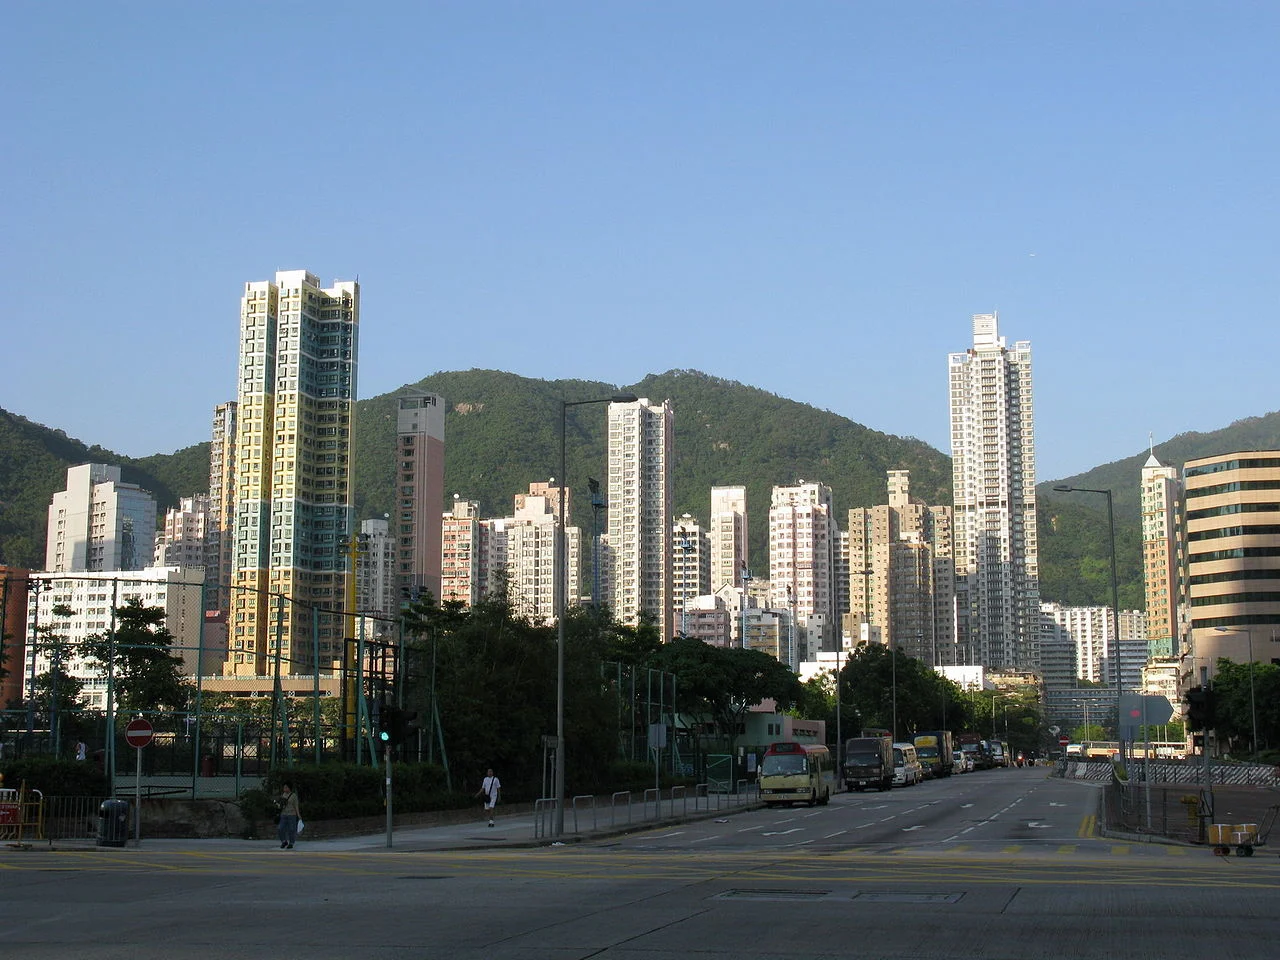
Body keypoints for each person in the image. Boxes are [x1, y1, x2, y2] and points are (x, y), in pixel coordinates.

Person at [277, 781, 301, 849]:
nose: (285, 789)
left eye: (286, 787)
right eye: (284, 787)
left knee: (291, 829)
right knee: (280, 828)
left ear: (289, 788)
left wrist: (298, 815)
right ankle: (284, 841)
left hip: (292, 814)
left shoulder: (293, 796)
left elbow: (296, 805)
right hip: (284, 814)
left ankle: (291, 843)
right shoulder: (283, 795)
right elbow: (281, 804)